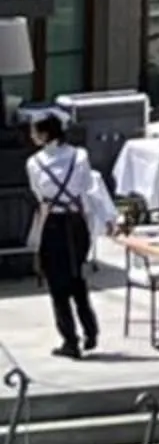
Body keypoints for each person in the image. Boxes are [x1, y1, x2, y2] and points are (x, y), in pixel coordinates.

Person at [27, 113, 110, 358]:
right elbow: (86, 186)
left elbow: (38, 192)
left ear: (44, 134)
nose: (31, 136)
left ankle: (70, 341)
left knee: (57, 286)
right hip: (76, 223)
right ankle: (90, 331)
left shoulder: (35, 162)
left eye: (34, 132)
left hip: (52, 222)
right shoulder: (80, 155)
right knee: (77, 278)